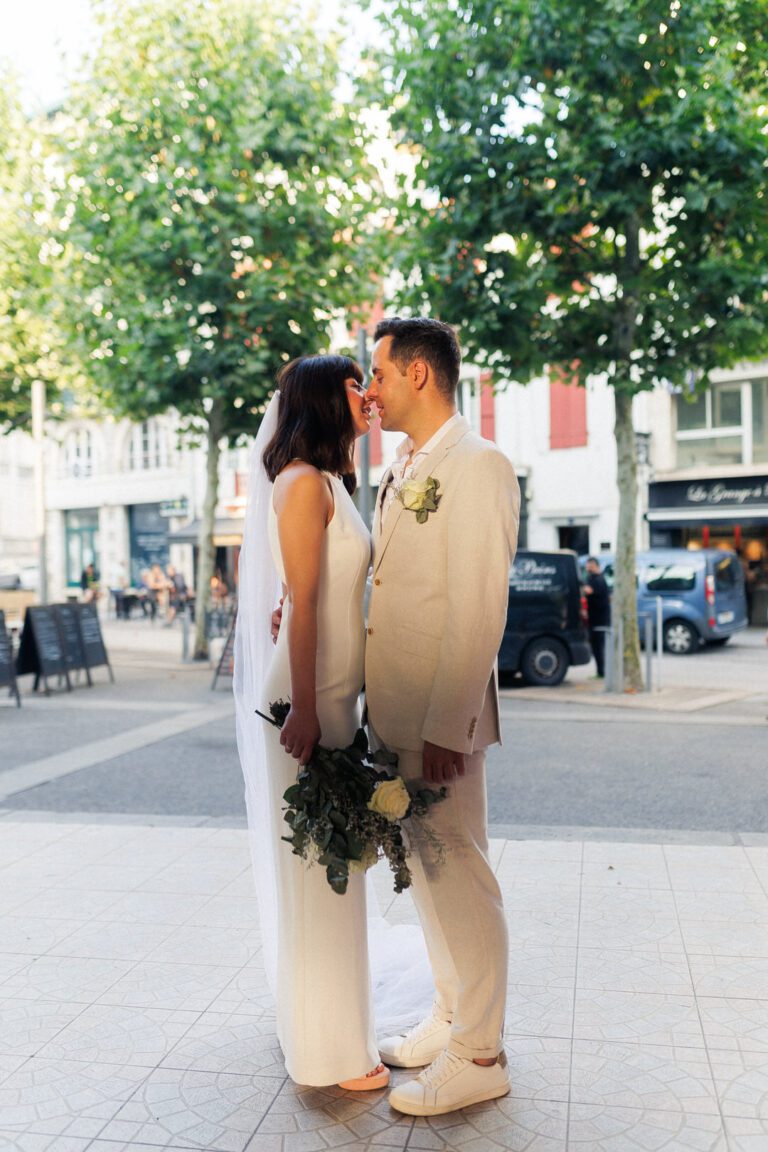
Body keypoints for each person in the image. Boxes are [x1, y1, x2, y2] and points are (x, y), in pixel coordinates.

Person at [365, 317, 520, 1116]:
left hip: (439, 721)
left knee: (461, 875)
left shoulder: (480, 464)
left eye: (380, 375)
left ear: (419, 374)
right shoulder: (404, 465)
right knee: (426, 874)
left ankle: (481, 1051)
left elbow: (478, 606)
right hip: (395, 714)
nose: (371, 390)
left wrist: (447, 724)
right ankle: (452, 1013)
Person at [233, 354, 391, 1091]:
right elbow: (301, 608)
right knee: (321, 871)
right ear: (327, 400)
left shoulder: (332, 482)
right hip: (309, 697)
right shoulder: (300, 483)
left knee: (337, 869)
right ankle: (329, 1052)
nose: (368, 394)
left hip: (333, 690)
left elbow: (312, 591)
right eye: (356, 385)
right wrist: (301, 706)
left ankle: (333, 1033)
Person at [584, 556, 611, 678]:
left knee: (599, 647)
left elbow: (591, 593)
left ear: (595, 566)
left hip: (600, 620)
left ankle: (602, 672)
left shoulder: (598, 580)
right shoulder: (592, 578)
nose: (587, 568)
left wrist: (587, 591)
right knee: (597, 647)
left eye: (589, 565)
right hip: (595, 618)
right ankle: (601, 671)